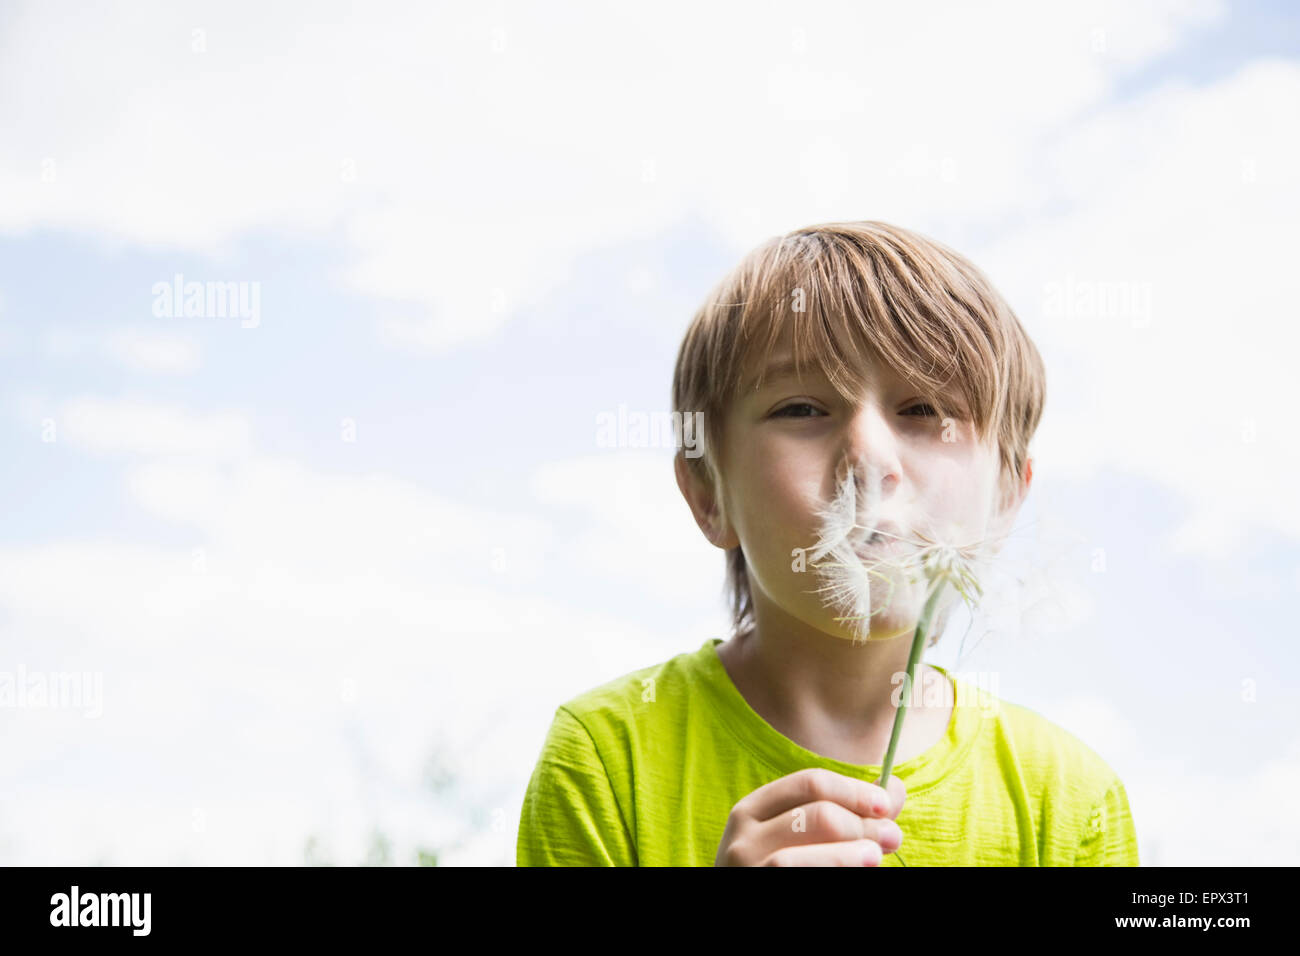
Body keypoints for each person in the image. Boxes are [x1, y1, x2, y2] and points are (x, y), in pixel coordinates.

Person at [516, 221, 1139, 866]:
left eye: (925, 408)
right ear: (708, 492)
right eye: (802, 410)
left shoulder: (1068, 800)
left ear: (1006, 494)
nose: (869, 457)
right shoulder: (604, 759)